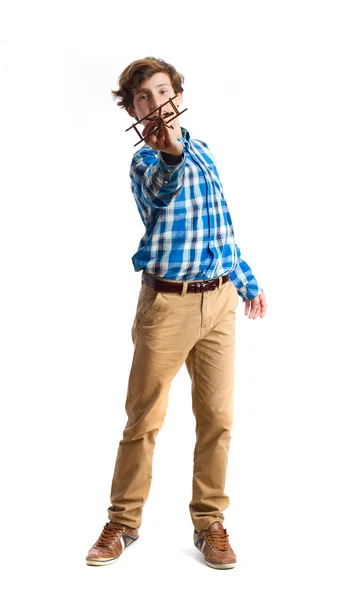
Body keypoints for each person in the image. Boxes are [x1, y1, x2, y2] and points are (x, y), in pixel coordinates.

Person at [86, 57, 267, 570]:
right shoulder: (145, 161)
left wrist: (247, 281)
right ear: (132, 108)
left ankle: (210, 523)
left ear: (178, 96)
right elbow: (161, 193)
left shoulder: (205, 151)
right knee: (143, 419)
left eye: (161, 91)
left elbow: (221, 229)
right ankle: (123, 523)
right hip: (167, 305)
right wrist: (168, 156)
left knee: (218, 419)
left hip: (221, 301)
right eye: (142, 96)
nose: (154, 101)